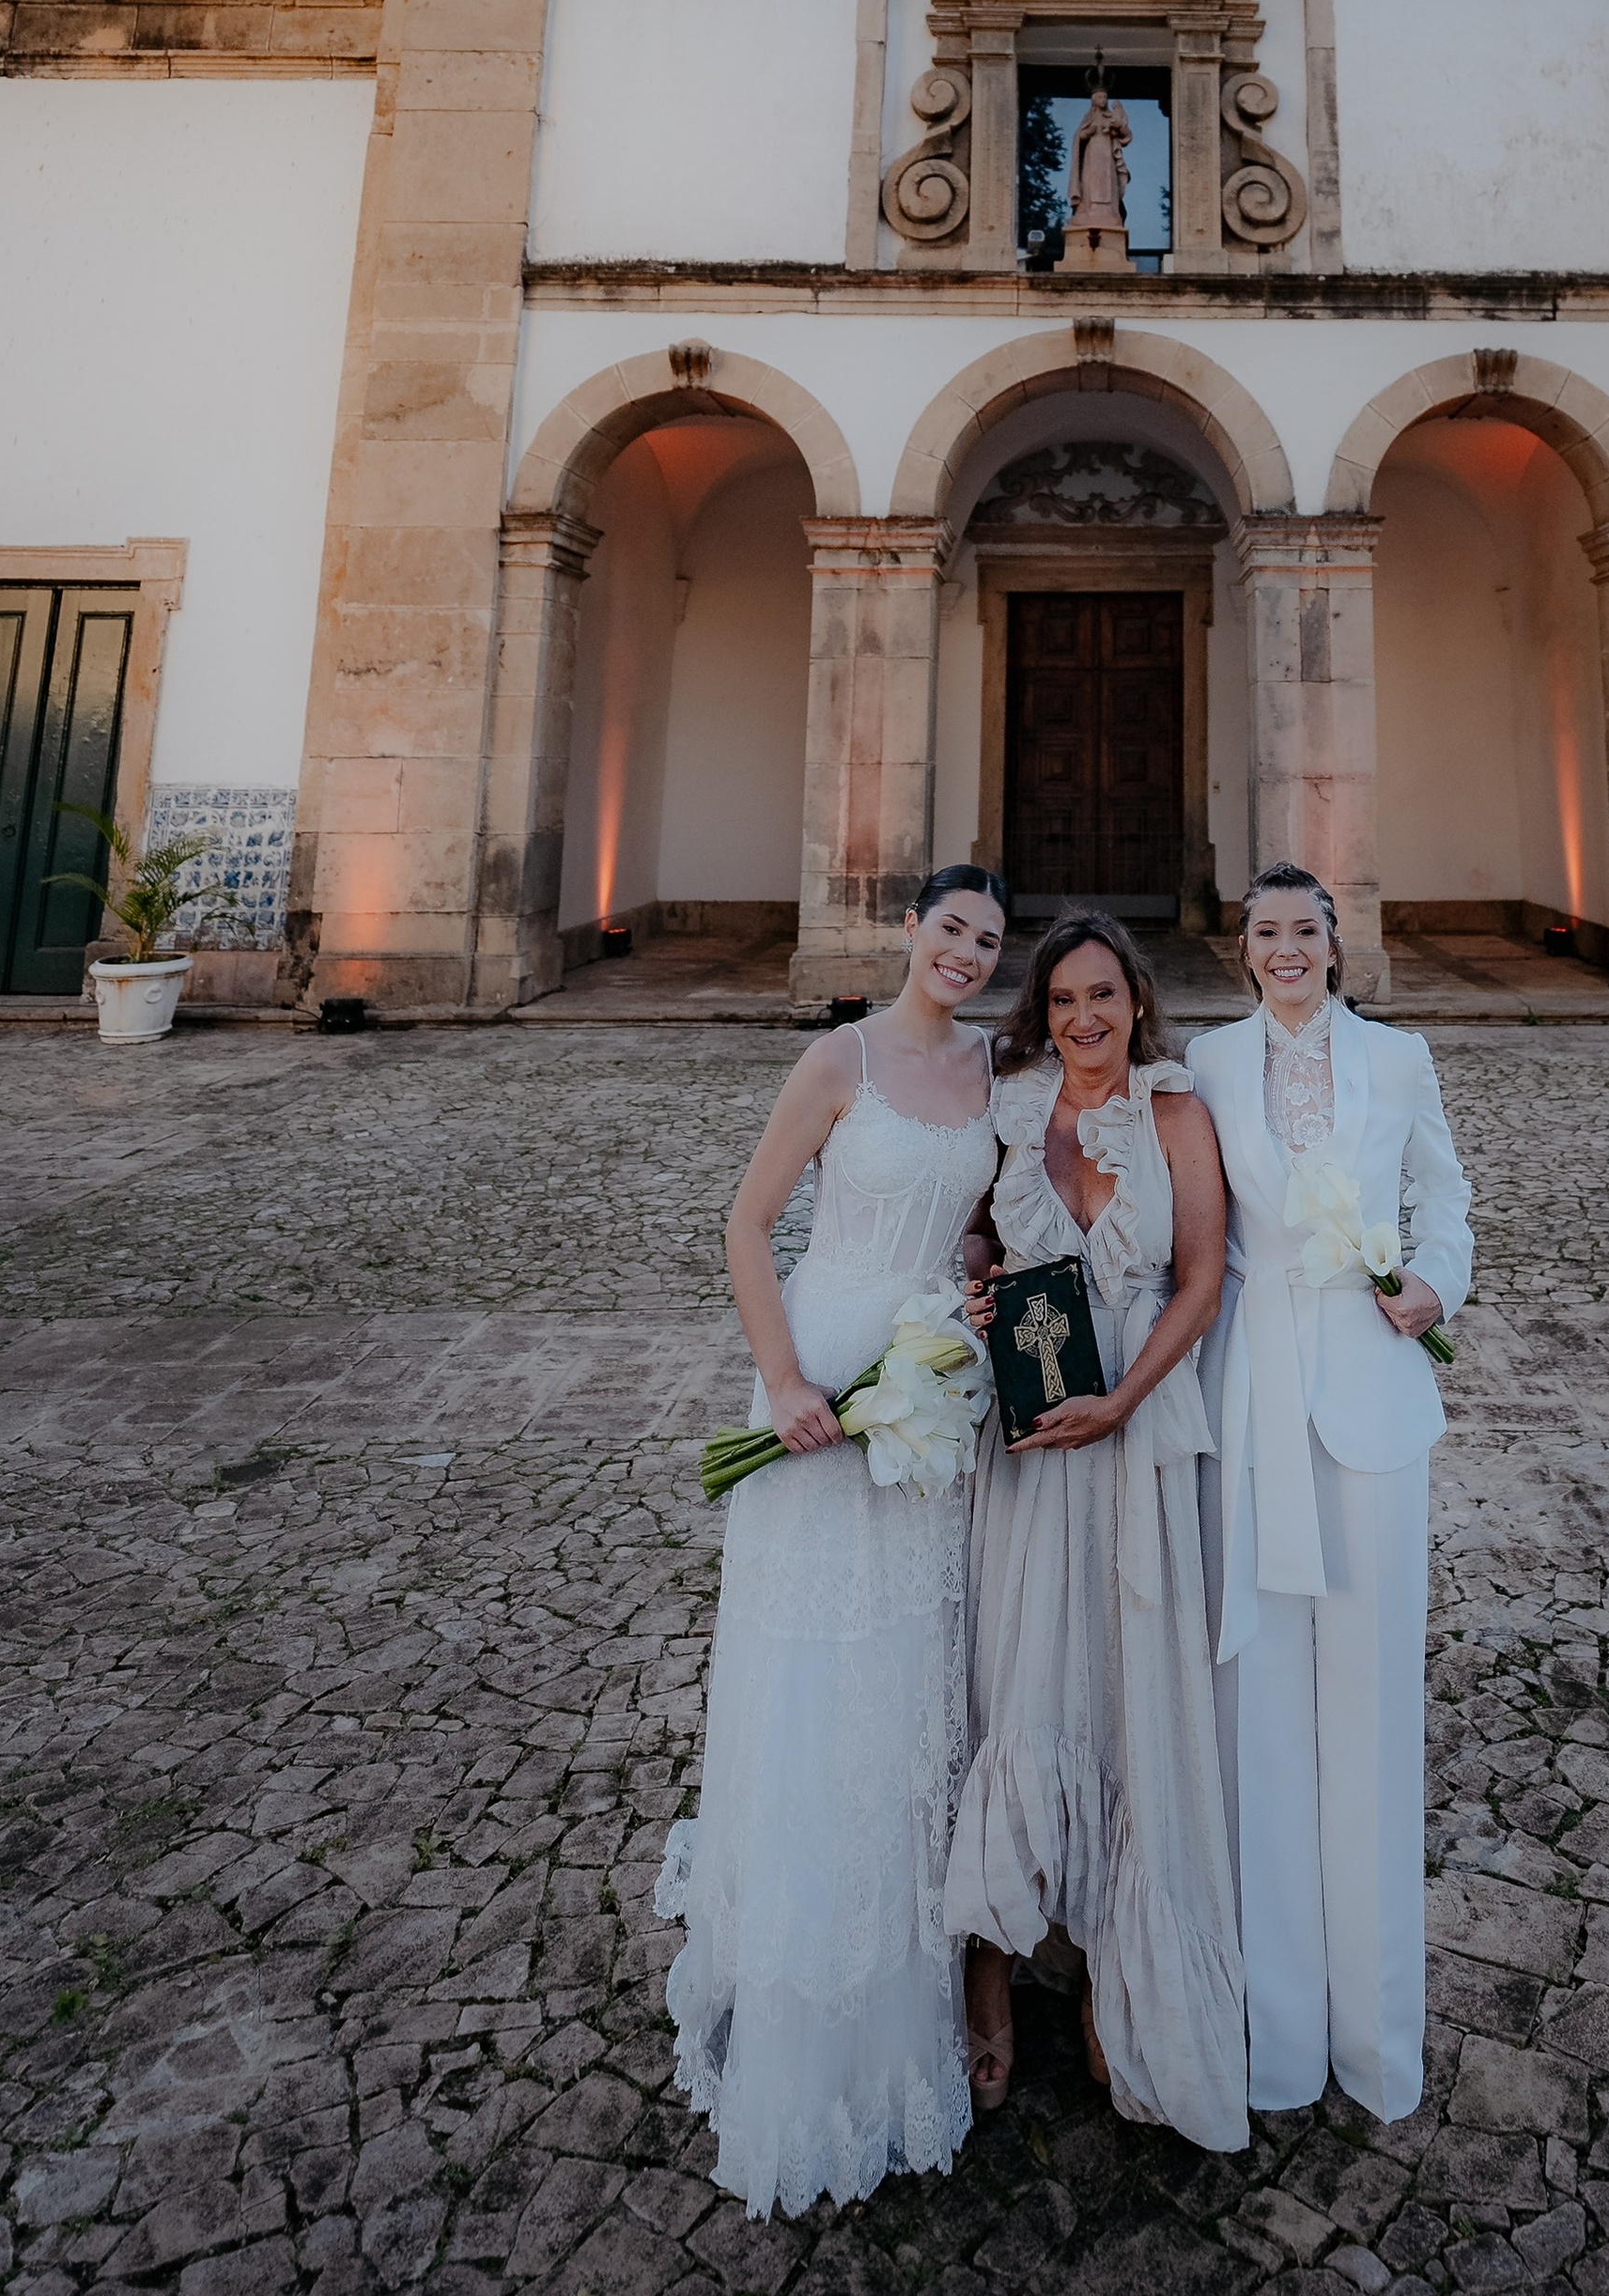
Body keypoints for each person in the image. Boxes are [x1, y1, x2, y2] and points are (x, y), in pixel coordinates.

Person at [657, 866, 1009, 2219]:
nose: (966, 953)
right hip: (820, 1378)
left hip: (927, 1382)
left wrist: (977, 1299)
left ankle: (908, 1948)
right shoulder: (838, 1060)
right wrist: (786, 1379)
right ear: (910, 930)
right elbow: (747, 1224)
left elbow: (978, 1234)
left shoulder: (990, 1071)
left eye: (988, 940)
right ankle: (801, 1955)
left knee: (914, 1661)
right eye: (950, 929)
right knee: (815, 1663)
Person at [947, 910, 1247, 2148]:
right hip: (1027, 1440)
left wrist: (1121, 1402)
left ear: (1136, 1005)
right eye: (1065, 999)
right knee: (1016, 1680)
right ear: (1043, 1011)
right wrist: (978, 1272)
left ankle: (1112, 1971)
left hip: (1131, 1429)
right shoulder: (1015, 1109)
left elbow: (1202, 1280)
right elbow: (981, 1229)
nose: (1085, 1018)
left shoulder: (1175, 1115)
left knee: (1126, 1688)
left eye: (1104, 997)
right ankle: (989, 1967)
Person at [1187, 862, 1473, 2123]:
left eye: (1305, 928)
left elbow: (1447, 1195)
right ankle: (1276, 2034)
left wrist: (1438, 1281)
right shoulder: (1205, 1065)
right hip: (1249, 1395)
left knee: (1371, 1705)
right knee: (1257, 1714)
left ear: (1335, 943)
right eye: (1267, 931)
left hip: (1370, 1397)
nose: (1286, 947)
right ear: (1244, 949)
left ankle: (1376, 2038)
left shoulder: (1398, 1060)